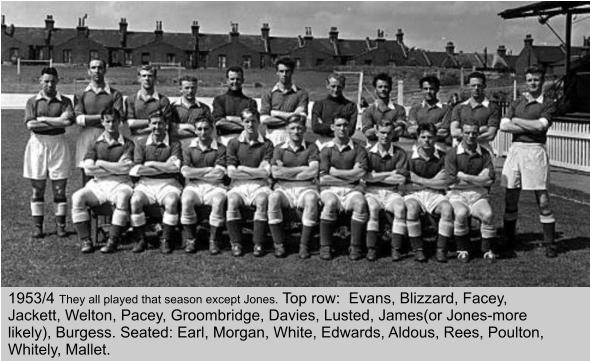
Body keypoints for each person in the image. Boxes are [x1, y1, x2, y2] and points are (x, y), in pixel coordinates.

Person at [499, 66, 558, 258]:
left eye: (537, 80)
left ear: (543, 82)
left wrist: (516, 120)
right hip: (516, 151)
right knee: (510, 196)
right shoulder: (517, 102)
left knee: (542, 199)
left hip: (535, 151)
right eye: (530, 80)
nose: (533, 83)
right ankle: (509, 238)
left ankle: (549, 242)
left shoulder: (548, 103)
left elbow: (540, 127)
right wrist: (526, 125)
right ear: (526, 81)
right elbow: (503, 126)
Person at [71, 109, 134, 253]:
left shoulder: (128, 143)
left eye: (114, 121)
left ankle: (113, 240)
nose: (111, 125)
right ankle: (86, 240)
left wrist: (100, 163)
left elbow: (125, 168)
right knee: (77, 197)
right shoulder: (95, 143)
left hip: (121, 183)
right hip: (98, 184)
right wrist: (115, 167)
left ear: (119, 122)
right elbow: (88, 169)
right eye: (108, 121)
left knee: (123, 197)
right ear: (102, 122)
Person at [23, 67, 74, 239]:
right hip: (37, 144)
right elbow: (31, 125)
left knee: (59, 188)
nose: (49, 84)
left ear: (57, 81)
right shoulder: (32, 101)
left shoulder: (65, 101)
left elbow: (67, 121)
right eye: (46, 81)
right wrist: (57, 121)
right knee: (38, 189)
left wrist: (43, 119)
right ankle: (38, 227)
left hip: (58, 144)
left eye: (52, 81)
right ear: (40, 81)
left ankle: (60, 226)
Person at [129, 111, 182, 254]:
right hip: (146, 183)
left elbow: (175, 168)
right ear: (149, 124)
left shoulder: (175, 143)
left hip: (169, 183)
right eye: (154, 123)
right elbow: (136, 169)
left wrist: (150, 164)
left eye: (160, 123)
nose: (157, 126)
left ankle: (166, 239)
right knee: (135, 201)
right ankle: (141, 239)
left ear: (166, 125)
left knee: (171, 201)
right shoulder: (140, 143)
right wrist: (164, 167)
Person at [268, 114, 320, 258]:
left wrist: (286, 171)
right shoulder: (279, 148)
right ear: (287, 129)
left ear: (304, 129)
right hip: (284, 187)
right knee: (273, 198)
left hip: (306, 187)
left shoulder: (311, 147)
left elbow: (313, 170)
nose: (296, 131)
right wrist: (302, 168)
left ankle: (304, 245)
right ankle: (279, 244)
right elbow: (276, 173)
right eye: (293, 128)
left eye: (299, 128)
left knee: (311, 199)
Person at [445, 122, 497, 263]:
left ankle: (487, 250)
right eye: (467, 132)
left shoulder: (485, 154)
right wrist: (480, 178)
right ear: (461, 133)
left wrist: (464, 176)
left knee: (488, 214)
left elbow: (490, 181)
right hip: (457, 195)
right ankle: (463, 249)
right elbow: (451, 182)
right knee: (461, 213)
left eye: (474, 133)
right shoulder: (452, 153)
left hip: (478, 194)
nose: (471, 136)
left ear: (478, 134)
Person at [319, 117, 369, 261]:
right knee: (330, 203)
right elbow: (323, 178)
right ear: (332, 127)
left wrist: (335, 172)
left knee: (360, 203)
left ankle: (355, 246)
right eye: (339, 125)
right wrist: (350, 177)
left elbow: (360, 173)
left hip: (352, 190)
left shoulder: (359, 148)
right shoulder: (326, 149)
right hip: (330, 188)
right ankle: (325, 245)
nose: (342, 128)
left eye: (346, 125)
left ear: (350, 127)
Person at [225, 108, 274, 257]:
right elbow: (231, 172)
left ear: (259, 122)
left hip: (260, 185)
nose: (250, 124)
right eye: (246, 121)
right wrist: (255, 171)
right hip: (238, 185)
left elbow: (265, 172)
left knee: (262, 200)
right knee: (232, 201)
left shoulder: (267, 144)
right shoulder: (233, 143)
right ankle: (236, 243)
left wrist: (243, 168)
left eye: (253, 121)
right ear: (242, 123)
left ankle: (258, 243)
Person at [403, 123, 454, 262]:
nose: (426, 140)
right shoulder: (409, 157)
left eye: (430, 137)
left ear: (435, 138)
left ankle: (441, 249)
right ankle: (418, 249)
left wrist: (418, 179)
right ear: (417, 138)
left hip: (436, 194)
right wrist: (433, 181)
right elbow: (405, 186)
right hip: (414, 194)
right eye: (423, 137)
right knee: (412, 208)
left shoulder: (444, 157)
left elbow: (445, 183)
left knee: (447, 209)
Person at [180, 118, 227, 254]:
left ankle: (214, 240)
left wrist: (195, 172)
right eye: (199, 129)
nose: (203, 132)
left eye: (206, 128)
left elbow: (219, 174)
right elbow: (185, 172)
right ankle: (191, 239)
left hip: (216, 186)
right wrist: (207, 170)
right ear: (195, 131)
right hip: (194, 186)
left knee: (218, 201)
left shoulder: (221, 148)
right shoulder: (189, 149)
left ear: (212, 130)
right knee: (186, 199)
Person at [364, 119, 409, 261]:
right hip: (372, 191)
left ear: (393, 134)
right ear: (376, 132)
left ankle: (396, 248)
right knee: (372, 208)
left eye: (389, 133)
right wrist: (390, 173)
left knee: (400, 208)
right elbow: (366, 177)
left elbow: (401, 179)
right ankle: (372, 248)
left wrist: (375, 176)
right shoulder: (368, 152)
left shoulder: (400, 153)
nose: (385, 136)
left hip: (392, 192)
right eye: (382, 132)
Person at [73, 59, 124, 184]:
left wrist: (90, 118)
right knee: (88, 174)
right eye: (93, 68)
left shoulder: (115, 94)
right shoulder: (81, 94)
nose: (97, 71)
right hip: (87, 137)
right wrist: (105, 117)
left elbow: (118, 118)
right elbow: (79, 119)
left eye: (100, 67)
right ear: (88, 71)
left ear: (105, 70)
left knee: (110, 173)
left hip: (109, 137)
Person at [449, 72, 500, 156]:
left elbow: (491, 134)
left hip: (483, 151)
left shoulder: (493, 108)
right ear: (468, 86)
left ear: (484, 86)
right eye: (473, 85)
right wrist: (482, 129)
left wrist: (465, 134)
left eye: (479, 85)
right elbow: (454, 132)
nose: (476, 88)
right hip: (461, 151)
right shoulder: (459, 107)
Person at [260, 57, 309, 145]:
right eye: (281, 71)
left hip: (293, 134)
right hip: (273, 135)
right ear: (277, 72)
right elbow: (264, 119)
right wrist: (292, 116)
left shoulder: (301, 93)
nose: (284, 74)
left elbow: (301, 119)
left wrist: (275, 113)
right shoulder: (268, 93)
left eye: (287, 71)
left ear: (292, 72)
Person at [212, 66, 258, 146]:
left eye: (238, 79)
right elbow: (219, 122)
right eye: (232, 79)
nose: (235, 82)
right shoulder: (219, 100)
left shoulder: (250, 102)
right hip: (224, 141)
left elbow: (254, 124)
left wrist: (229, 119)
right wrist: (244, 124)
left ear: (243, 80)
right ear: (227, 80)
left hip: (244, 141)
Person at [311, 73, 357, 149]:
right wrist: (339, 127)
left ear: (343, 87)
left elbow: (350, 130)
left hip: (343, 144)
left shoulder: (351, 106)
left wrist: (325, 126)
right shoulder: (319, 104)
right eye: (333, 86)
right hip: (323, 144)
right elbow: (315, 127)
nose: (336, 90)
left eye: (339, 87)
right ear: (327, 85)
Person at [126, 65, 172, 141]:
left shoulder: (163, 100)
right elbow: (130, 123)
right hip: (136, 139)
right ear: (139, 78)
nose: (147, 79)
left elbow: (166, 125)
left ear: (155, 78)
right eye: (144, 76)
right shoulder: (131, 99)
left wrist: (141, 126)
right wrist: (153, 122)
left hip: (156, 140)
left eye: (150, 76)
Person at [361, 73, 406, 147]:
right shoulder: (368, 111)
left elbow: (400, 131)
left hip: (393, 148)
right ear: (375, 89)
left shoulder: (399, 109)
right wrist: (392, 127)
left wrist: (376, 129)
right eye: (380, 87)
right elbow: (368, 133)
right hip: (373, 148)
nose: (383, 89)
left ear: (390, 88)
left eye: (386, 87)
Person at [407, 75, 451, 149]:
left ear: (437, 89)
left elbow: (444, 132)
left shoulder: (446, 109)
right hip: (418, 147)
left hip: (438, 147)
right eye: (425, 89)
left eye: (431, 89)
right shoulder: (415, 109)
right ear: (421, 90)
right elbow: (411, 130)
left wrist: (420, 129)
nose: (428, 91)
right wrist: (435, 127)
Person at [170, 75, 212, 147]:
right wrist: (189, 127)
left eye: (193, 88)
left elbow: (208, 131)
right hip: (177, 146)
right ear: (180, 89)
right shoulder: (173, 107)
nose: (190, 91)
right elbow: (171, 131)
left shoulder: (204, 108)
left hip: (198, 147)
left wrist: (180, 128)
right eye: (187, 88)